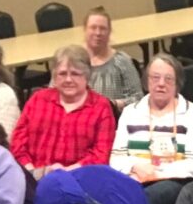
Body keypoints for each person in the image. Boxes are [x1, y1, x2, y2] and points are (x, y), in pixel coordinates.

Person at [110, 53, 193, 204]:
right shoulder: (131, 112)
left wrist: (156, 173)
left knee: (148, 198)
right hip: (135, 177)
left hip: (175, 181)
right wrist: (136, 167)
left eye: (168, 79)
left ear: (177, 85)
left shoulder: (192, 113)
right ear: (146, 82)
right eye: (155, 77)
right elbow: (116, 158)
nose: (161, 83)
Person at [11, 45, 116, 180]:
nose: (68, 80)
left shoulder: (100, 107)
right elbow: (18, 143)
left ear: (87, 76)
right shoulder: (37, 99)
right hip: (33, 178)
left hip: (79, 180)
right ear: (54, 76)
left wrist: (66, 172)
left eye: (75, 74)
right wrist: (33, 172)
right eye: (62, 74)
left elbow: (101, 153)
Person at [84, 6, 144, 109]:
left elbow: (138, 99)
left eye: (102, 28)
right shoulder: (73, 62)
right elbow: (53, 94)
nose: (98, 33)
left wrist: (113, 104)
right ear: (85, 30)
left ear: (109, 32)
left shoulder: (121, 61)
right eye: (93, 28)